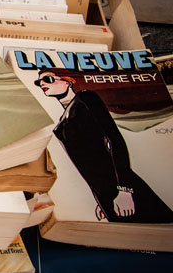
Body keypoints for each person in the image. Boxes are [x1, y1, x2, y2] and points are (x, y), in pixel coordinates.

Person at [35, 70, 173, 223]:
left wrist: (125, 190)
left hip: (120, 185)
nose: (42, 84)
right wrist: (100, 200)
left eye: (48, 79)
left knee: (155, 225)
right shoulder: (63, 121)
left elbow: (114, 139)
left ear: (68, 81)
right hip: (103, 192)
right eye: (39, 82)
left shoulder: (85, 98)